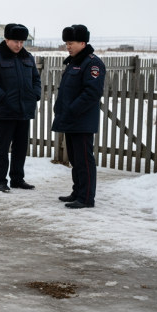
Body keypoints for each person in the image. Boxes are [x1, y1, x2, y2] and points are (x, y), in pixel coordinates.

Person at [0, 23, 41, 192]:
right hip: (6, 111)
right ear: (6, 39)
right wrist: (4, 98)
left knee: (21, 147)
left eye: (22, 41)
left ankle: (17, 178)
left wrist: (35, 94)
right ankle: (0, 180)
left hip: (24, 110)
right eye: (15, 41)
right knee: (2, 147)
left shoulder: (27, 57)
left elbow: (36, 79)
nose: (19, 45)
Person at [51, 24, 106, 208]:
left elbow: (92, 92)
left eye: (71, 43)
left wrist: (72, 110)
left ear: (83, 42)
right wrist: (60, 108)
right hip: (71, 119)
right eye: (66, 43)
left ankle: (86, 198)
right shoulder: (74, 62)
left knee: (84, 160)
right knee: (75, 160)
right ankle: (77, 192)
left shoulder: (92, 63)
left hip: (81, 120)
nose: (68, 46)